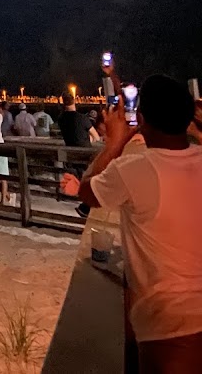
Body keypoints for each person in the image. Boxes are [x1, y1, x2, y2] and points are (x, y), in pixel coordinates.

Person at [78, 75, 202, 371]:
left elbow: (87, 192)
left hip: (170, 328)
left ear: (142, 119)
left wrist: (115, 142)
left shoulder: (134, 169)